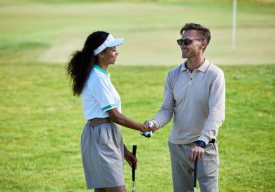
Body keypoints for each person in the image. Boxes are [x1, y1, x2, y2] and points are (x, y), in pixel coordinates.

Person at [67, 31, 157, 192]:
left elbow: (109, 122)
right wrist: (144, 128)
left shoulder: (100, 75)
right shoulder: (97, 78)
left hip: (103, 135)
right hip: (100, 137)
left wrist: (124, 151)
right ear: (101, 53)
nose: (117, 52)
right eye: (113, 49)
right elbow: (115, 116)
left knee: (102, 190)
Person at [148, 23, 225, 192]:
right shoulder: (173, 75)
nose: (182, 45)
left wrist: (201, 142)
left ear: (202, 44)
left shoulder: (215, 75)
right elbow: (167, 110)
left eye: (187, 41)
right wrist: (153, 124)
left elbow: (217, 113)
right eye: (180, 41)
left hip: (203, 147)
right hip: (177, 146)